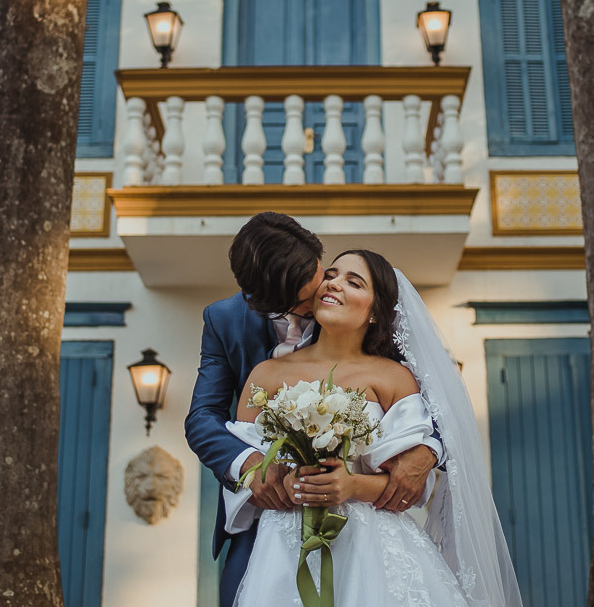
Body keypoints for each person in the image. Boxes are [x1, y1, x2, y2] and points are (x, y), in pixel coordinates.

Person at [222, 249, 524, 607]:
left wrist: (351, 484)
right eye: (331, 275)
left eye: (353, 281)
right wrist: (285, 482)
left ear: (376, 310)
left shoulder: (392, 378)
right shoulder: (266, 375)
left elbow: (409, 486)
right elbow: (244, 467)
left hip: (371, 551)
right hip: (282, 547)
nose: (333, 283)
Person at [185, 214, 441, 607]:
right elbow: (203, 420)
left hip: (370, 537)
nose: (325, 291)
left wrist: (428, 450)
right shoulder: (229, 327)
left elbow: (438, 397)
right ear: (266, 302)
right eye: (305, 299)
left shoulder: (382, 345)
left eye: (325, 276)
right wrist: (256, 467)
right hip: (270, 526)